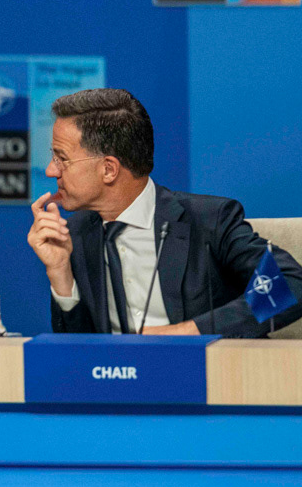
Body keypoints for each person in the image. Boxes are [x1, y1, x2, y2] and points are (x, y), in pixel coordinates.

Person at [27, 88, 302, 338]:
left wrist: (189, 333)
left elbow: (290, 285)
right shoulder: (75, 234)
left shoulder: (209, 220)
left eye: (61, 159)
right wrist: (60, 273)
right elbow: (79, 353)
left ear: (109, 169)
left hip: (205, 383)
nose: (51, 171)